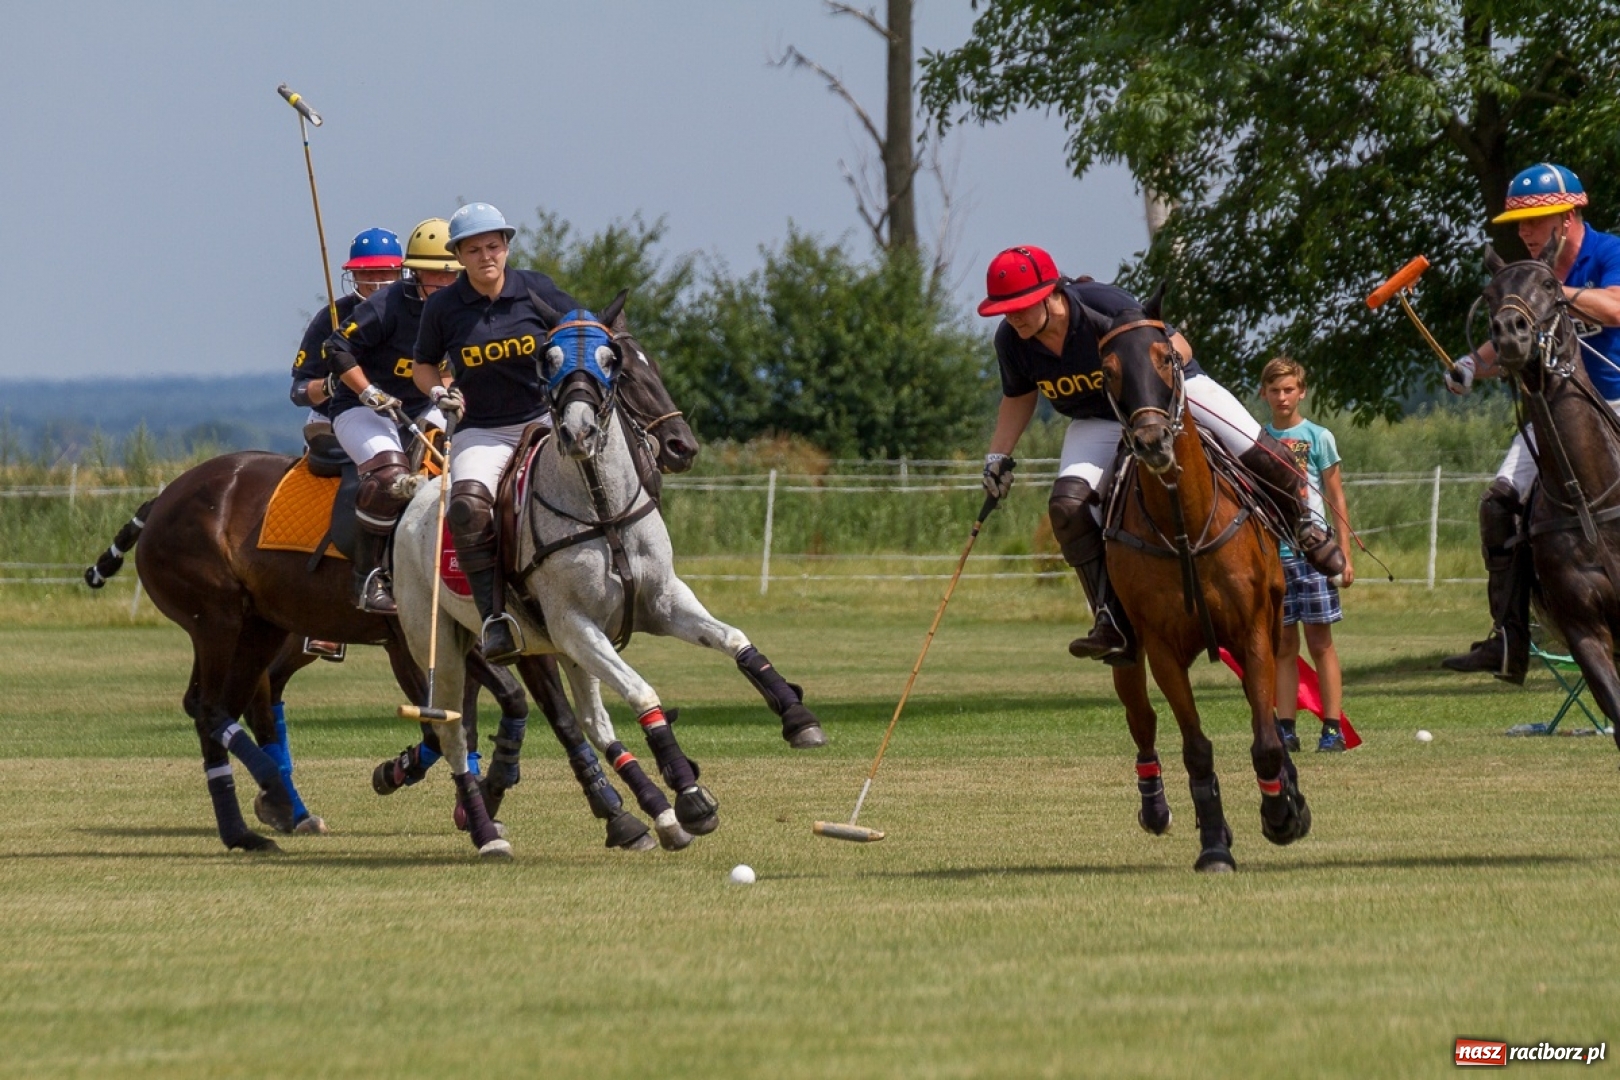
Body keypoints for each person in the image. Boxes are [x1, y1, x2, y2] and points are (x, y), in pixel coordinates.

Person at [977, 245, 1346, 664]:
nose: (1013, 317)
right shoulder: (1013, 341)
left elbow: (1180, 347)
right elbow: (1018, 396)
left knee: (1268, 454)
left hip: (1170, 399)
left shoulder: (1104, 306)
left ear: (1050, 294)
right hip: (1096, 419)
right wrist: (997, 458)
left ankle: (1305, 531)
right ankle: (1110, 618)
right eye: (1004, 310)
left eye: (1020, 306)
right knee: (1066, 506)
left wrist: (1151, 397)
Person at [1442, 163, 1620, 683]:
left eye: (1534, 221)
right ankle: (1509, 637)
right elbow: (1509, 341)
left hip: (1615, 398)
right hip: (1555, 413)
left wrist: (1555, 294)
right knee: (1498, 504)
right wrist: (1473, 364)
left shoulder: (1607, 252)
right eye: (1518, 224)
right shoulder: (1527, 276)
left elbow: (1615, 308)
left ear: (1567, 219)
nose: (1523, 232)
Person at [412, 202, 579, 661]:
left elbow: (579, 327)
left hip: (542, 421)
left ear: (506, 247)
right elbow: (422, 366)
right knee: (465, 507)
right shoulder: (445, 307)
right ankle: (494, 618)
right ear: (460, 257)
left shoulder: (536, 290)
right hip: (482, 430)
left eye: (493, 246)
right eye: (474, 249)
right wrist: (439, 393)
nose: (486, 256)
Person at [321, 219, 460, 614]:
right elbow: (336, 348)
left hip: (421, 407)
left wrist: (446, 392)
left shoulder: (460, 309)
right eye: (436, 273)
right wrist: (366, 390)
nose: (446, 281)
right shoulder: (388, 304)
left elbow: (451, 363)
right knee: (391, 477)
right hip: (362, 410)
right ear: (415, 271)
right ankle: (368, 579)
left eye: (452, 272)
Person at [1260, 357, 1354, 752]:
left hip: (1313, 552)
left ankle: (1331, 728)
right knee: (1283, 647)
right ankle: (1285, 728)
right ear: (1264, 394)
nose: (1282, 397)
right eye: (1275, 391)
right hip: (1272, 554)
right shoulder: (1255, 437)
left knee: (1321, 643)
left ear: (1302, 391)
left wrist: (1344, 554)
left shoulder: (1318, 437)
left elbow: (1335, 497)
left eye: (1289, 390)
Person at [290, 227, 404, 439]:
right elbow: (298, 392)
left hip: (403, 416)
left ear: (401, 273)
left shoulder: (419, 314)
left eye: (385, 271)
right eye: (367, 272)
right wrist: (328, 386)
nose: (377, 281)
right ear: (353, 275)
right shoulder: (331, 317)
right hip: (335, 419)